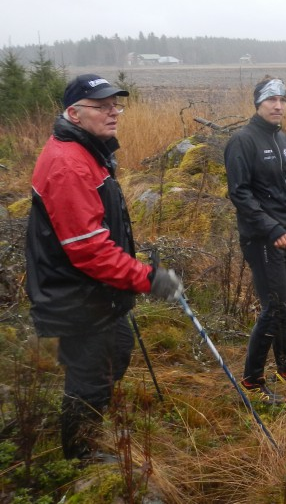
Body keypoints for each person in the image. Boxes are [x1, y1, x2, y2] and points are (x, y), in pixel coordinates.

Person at [26, 74, 184, 461]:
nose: (113, 112)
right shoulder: (68, 165)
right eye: (102, 106)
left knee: (117, 350)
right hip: (75, 292)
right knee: (91, 376)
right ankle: (82, 457)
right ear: (74, 113)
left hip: (97, 291)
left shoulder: (88, 152)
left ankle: (90, 426)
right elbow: (89, 250)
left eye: (116, 105)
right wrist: (149, 278)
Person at [225, 76, 286, 404]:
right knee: (274, 307)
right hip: (262, 239)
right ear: (258, 104)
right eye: (271, 100)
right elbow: (240, 193)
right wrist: (272, 229)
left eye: (283, 99)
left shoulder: (283, 140)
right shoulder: (243, 141)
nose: (278, 105)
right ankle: (252, 379)